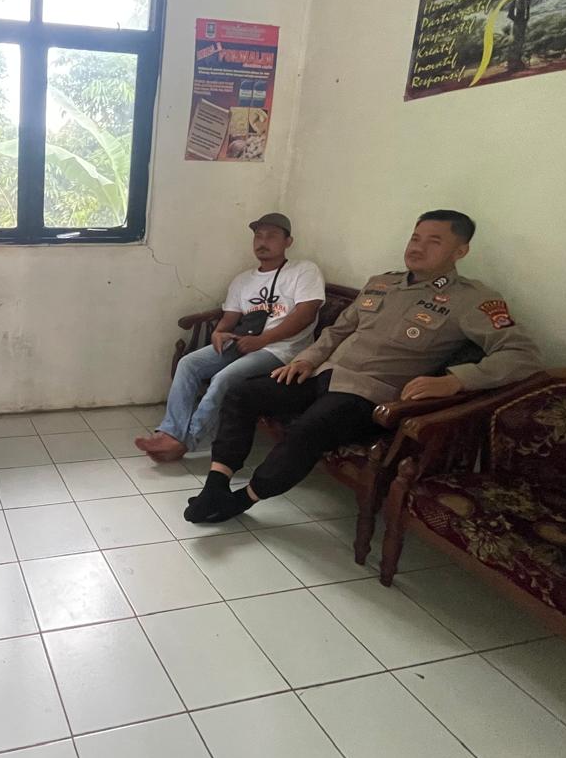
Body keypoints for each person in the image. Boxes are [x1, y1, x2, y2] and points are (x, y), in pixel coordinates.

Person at [186, 209, 543, 523]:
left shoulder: (472, 299)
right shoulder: (381, 284)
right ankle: (216, 485)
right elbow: (338, 330)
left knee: (308, 428)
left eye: (433, 242)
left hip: (370, 394)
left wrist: (456, 380)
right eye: (415, 238)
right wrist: (307, 358)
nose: (417, 247)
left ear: (460, 251)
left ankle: (244, 499)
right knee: (243, 392)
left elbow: (522, 355)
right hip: (324, 375)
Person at [136, 212, 325, 462]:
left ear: (288, 241)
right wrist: (219, 332)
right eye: (258, 236)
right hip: (244, 342)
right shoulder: (243, 280)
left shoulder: (304, 270)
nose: (263, 242)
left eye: (271, 236)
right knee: (189, 363)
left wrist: (263, 340)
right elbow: (230, 317)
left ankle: (185, 442)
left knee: (224, 377)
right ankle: (171, 432)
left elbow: (305, 315)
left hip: (282, 351)